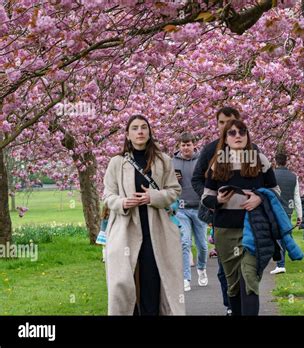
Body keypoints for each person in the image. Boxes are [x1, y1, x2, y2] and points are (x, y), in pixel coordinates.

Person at [103, 114, 184, 315]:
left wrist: (153, 197)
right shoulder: (116, 162)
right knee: (123, 281)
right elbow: (107, 194)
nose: (140, 131)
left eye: (144, 127)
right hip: (125, 229)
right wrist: (123, 202)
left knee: (152, 280)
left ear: (149, 133)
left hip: (156, 230)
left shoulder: (163, 160)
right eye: (135, 128)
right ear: (128, 135)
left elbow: (174, 190)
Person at [201, 119, 279, 316]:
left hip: (254, 228)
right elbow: (206, 198)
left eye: (242, 132)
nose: (238, 136)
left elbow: (275, 190)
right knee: (233, 282)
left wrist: (260, 198)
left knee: (249, 277)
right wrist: (218, 199)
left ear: (247, 135)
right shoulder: (218, 163)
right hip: (225, 229)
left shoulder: (260, 160)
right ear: (225, 139)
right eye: (232, 133)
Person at [191, 106, 254, 315]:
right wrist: (212, 199)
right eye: (222, 122)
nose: (227, 126)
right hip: (219, 217)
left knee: (248, 267)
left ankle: (246, 306)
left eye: (231, 121)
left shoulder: (252, 150)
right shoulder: (210, 150)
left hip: (248, 218)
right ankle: (230, 305)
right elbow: (197, 179)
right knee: (225, 269)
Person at [173, 132, 208, 292]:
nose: (186, 148)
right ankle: (186, 278)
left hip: (199, 209)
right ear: (179, 146)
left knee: (202, 246)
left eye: (188, 145)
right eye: (183, 145)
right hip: (181, 210)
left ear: (194, 145)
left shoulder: (201, 161)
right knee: (185, 242)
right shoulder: (173, 162)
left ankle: (201, 268)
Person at [269, 153, 302, 275]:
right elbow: (296, 197)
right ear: (286, 162)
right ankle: (293, 254)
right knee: (284, 234)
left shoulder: (272, 175)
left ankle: (281, 264)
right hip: (288, 209)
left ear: (275, 162)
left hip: (274, 209)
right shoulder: (293, 177)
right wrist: (300, 215)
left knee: (278, 236)